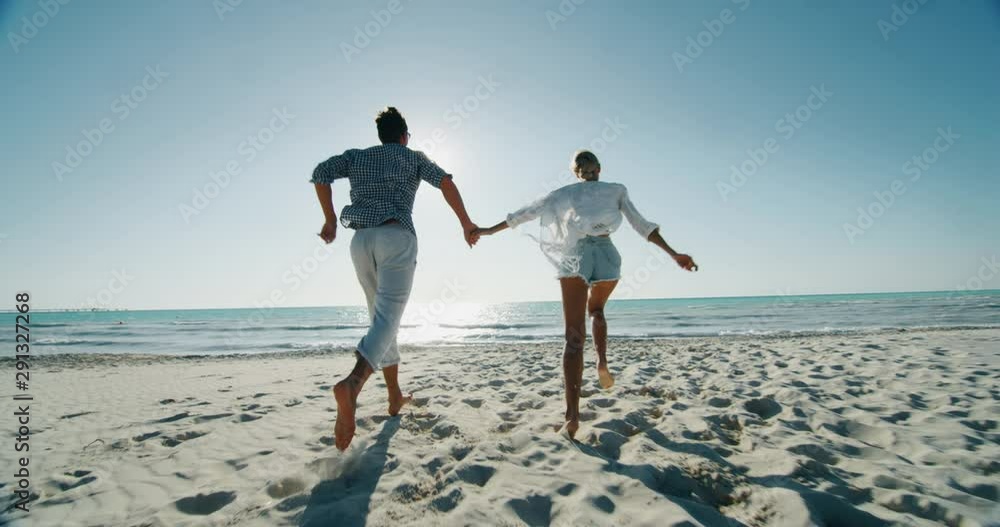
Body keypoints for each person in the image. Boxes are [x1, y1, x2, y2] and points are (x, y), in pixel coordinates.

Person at [475, 150, 697, 438]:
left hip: (576, 257)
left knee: (573, 338)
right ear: (598, 170)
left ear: (576, 173)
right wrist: (673, 253)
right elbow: (642, 226)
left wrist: (489, 231)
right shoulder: (617, 190)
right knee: (597, 311)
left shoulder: (564, 193)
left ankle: (572, 418)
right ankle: (602, 361)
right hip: (608, 256)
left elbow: (524, 214)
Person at [311, 107, 480, 450]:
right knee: (387, 321)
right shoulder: (412, 156)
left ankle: (394, 397)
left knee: (381, 322)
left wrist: (330, 220)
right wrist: (466, 223)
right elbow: (446, 181)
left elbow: (320, 173)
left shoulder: (358, 156)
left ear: (382, 135)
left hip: (360, 241)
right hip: (395, 235)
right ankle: (352, 385)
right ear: (404, 136)